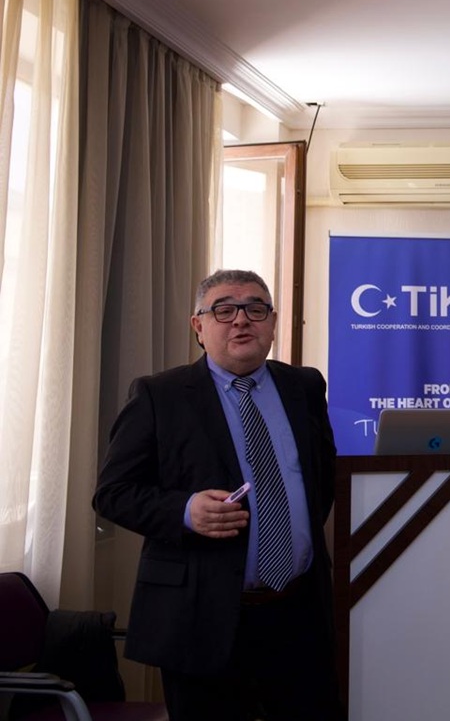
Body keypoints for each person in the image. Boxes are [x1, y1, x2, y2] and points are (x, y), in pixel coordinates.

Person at [93, 269, 343, 720]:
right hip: (202, 616)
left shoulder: (305, 387)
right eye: (224, 310)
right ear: (199, 326)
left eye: (256, 309)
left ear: (272, 322)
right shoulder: (160, 395)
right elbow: (113, 493)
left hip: (299, 613)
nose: (241, 320)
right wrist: (185, 510)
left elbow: (321, 480)